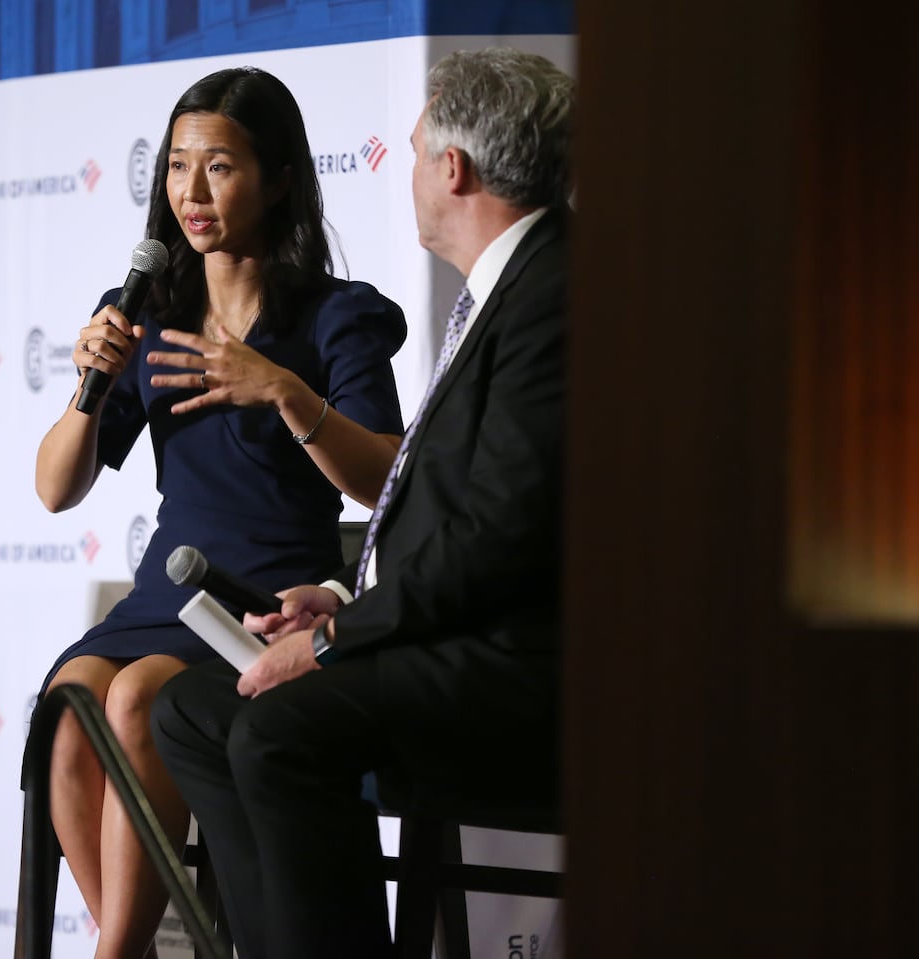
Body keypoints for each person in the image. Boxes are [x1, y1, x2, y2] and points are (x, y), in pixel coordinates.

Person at [149, 47, 575, 958]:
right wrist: (340, 597)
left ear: (451, 170)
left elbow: (501, 537)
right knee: (189, 709)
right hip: (443, 634)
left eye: (417, 151)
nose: (411, 170)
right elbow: (448, 512)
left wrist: (340, 637)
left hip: (510, 665)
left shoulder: (552, 296)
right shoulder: (507, 288)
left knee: (280, 730)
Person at [31, 66, 408, 959]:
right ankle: (161, 946)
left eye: (221, 167)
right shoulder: (146, 318)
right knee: (70, 706)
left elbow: (389, 479)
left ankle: (118, 952)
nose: (191, 193)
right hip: (163, 591)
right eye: (176, 166)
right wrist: (90, 388)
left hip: (263, 600)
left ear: (278, 179)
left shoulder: (333, 319)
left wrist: (282, 391)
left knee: (132, 701)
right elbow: (55, 488)